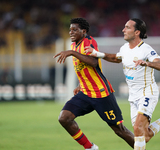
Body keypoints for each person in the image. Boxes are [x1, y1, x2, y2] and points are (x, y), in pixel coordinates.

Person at [84, 18, 160, 150]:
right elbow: (117, 58)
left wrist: (147, 63)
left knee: (137, 127)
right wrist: (96, 53)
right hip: (133, 95)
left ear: (137, 32)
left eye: (127, 27)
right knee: (143, 135)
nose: (123, 30)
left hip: (147, 93)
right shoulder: (124, 48)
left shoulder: (146, 49)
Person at [53, 17, 134, 150]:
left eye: (74, 30)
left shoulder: (88, 41)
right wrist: (80, 84)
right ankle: (90, 147)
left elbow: (93, 62)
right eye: (70, 30)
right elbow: (83, 68)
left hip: (101, 93)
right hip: (85, 92)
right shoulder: (74, 45)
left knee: (120, 130)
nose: (71, 32)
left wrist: (72, 53)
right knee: (64, 118)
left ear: (83, 31)